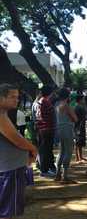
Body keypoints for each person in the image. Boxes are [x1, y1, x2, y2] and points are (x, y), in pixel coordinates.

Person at [0, 84, 37, 219]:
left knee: (8, 209)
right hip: (9, 170)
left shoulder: (4, 114)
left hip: (11, 168)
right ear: (1, 98)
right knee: (6, 211)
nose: (17, 100)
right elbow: (16, 139)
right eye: (12, 97)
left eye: (17, 97)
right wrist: (33, 149)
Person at [54, 88, 78, 183]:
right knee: (68, 150)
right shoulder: (66, 106)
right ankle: (65, 176)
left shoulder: (57, 105)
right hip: (67, 129)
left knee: (61, 151)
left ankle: (57, 174)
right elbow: (75, 119)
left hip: (59, 129)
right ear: (68, 96)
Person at [35, 85, 57, 177]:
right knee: (46, 149)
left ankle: (47, 168)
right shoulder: (46, 102)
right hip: (47, 128)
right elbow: (52, 116)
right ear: (50, 93)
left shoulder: (40, 101)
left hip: (42, 128)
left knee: (45, 149)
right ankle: (44, 170)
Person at [74, 94, 87, 162]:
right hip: (79, 127)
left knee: (79, 143)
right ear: (80, 100)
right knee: (78, 142)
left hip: (79, 126)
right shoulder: (79, 107)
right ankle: (78, 157)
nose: (84, 100)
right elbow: (81, 118)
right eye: (83, 99)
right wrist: (79, 128)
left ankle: (79, 157)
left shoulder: (77, 106)